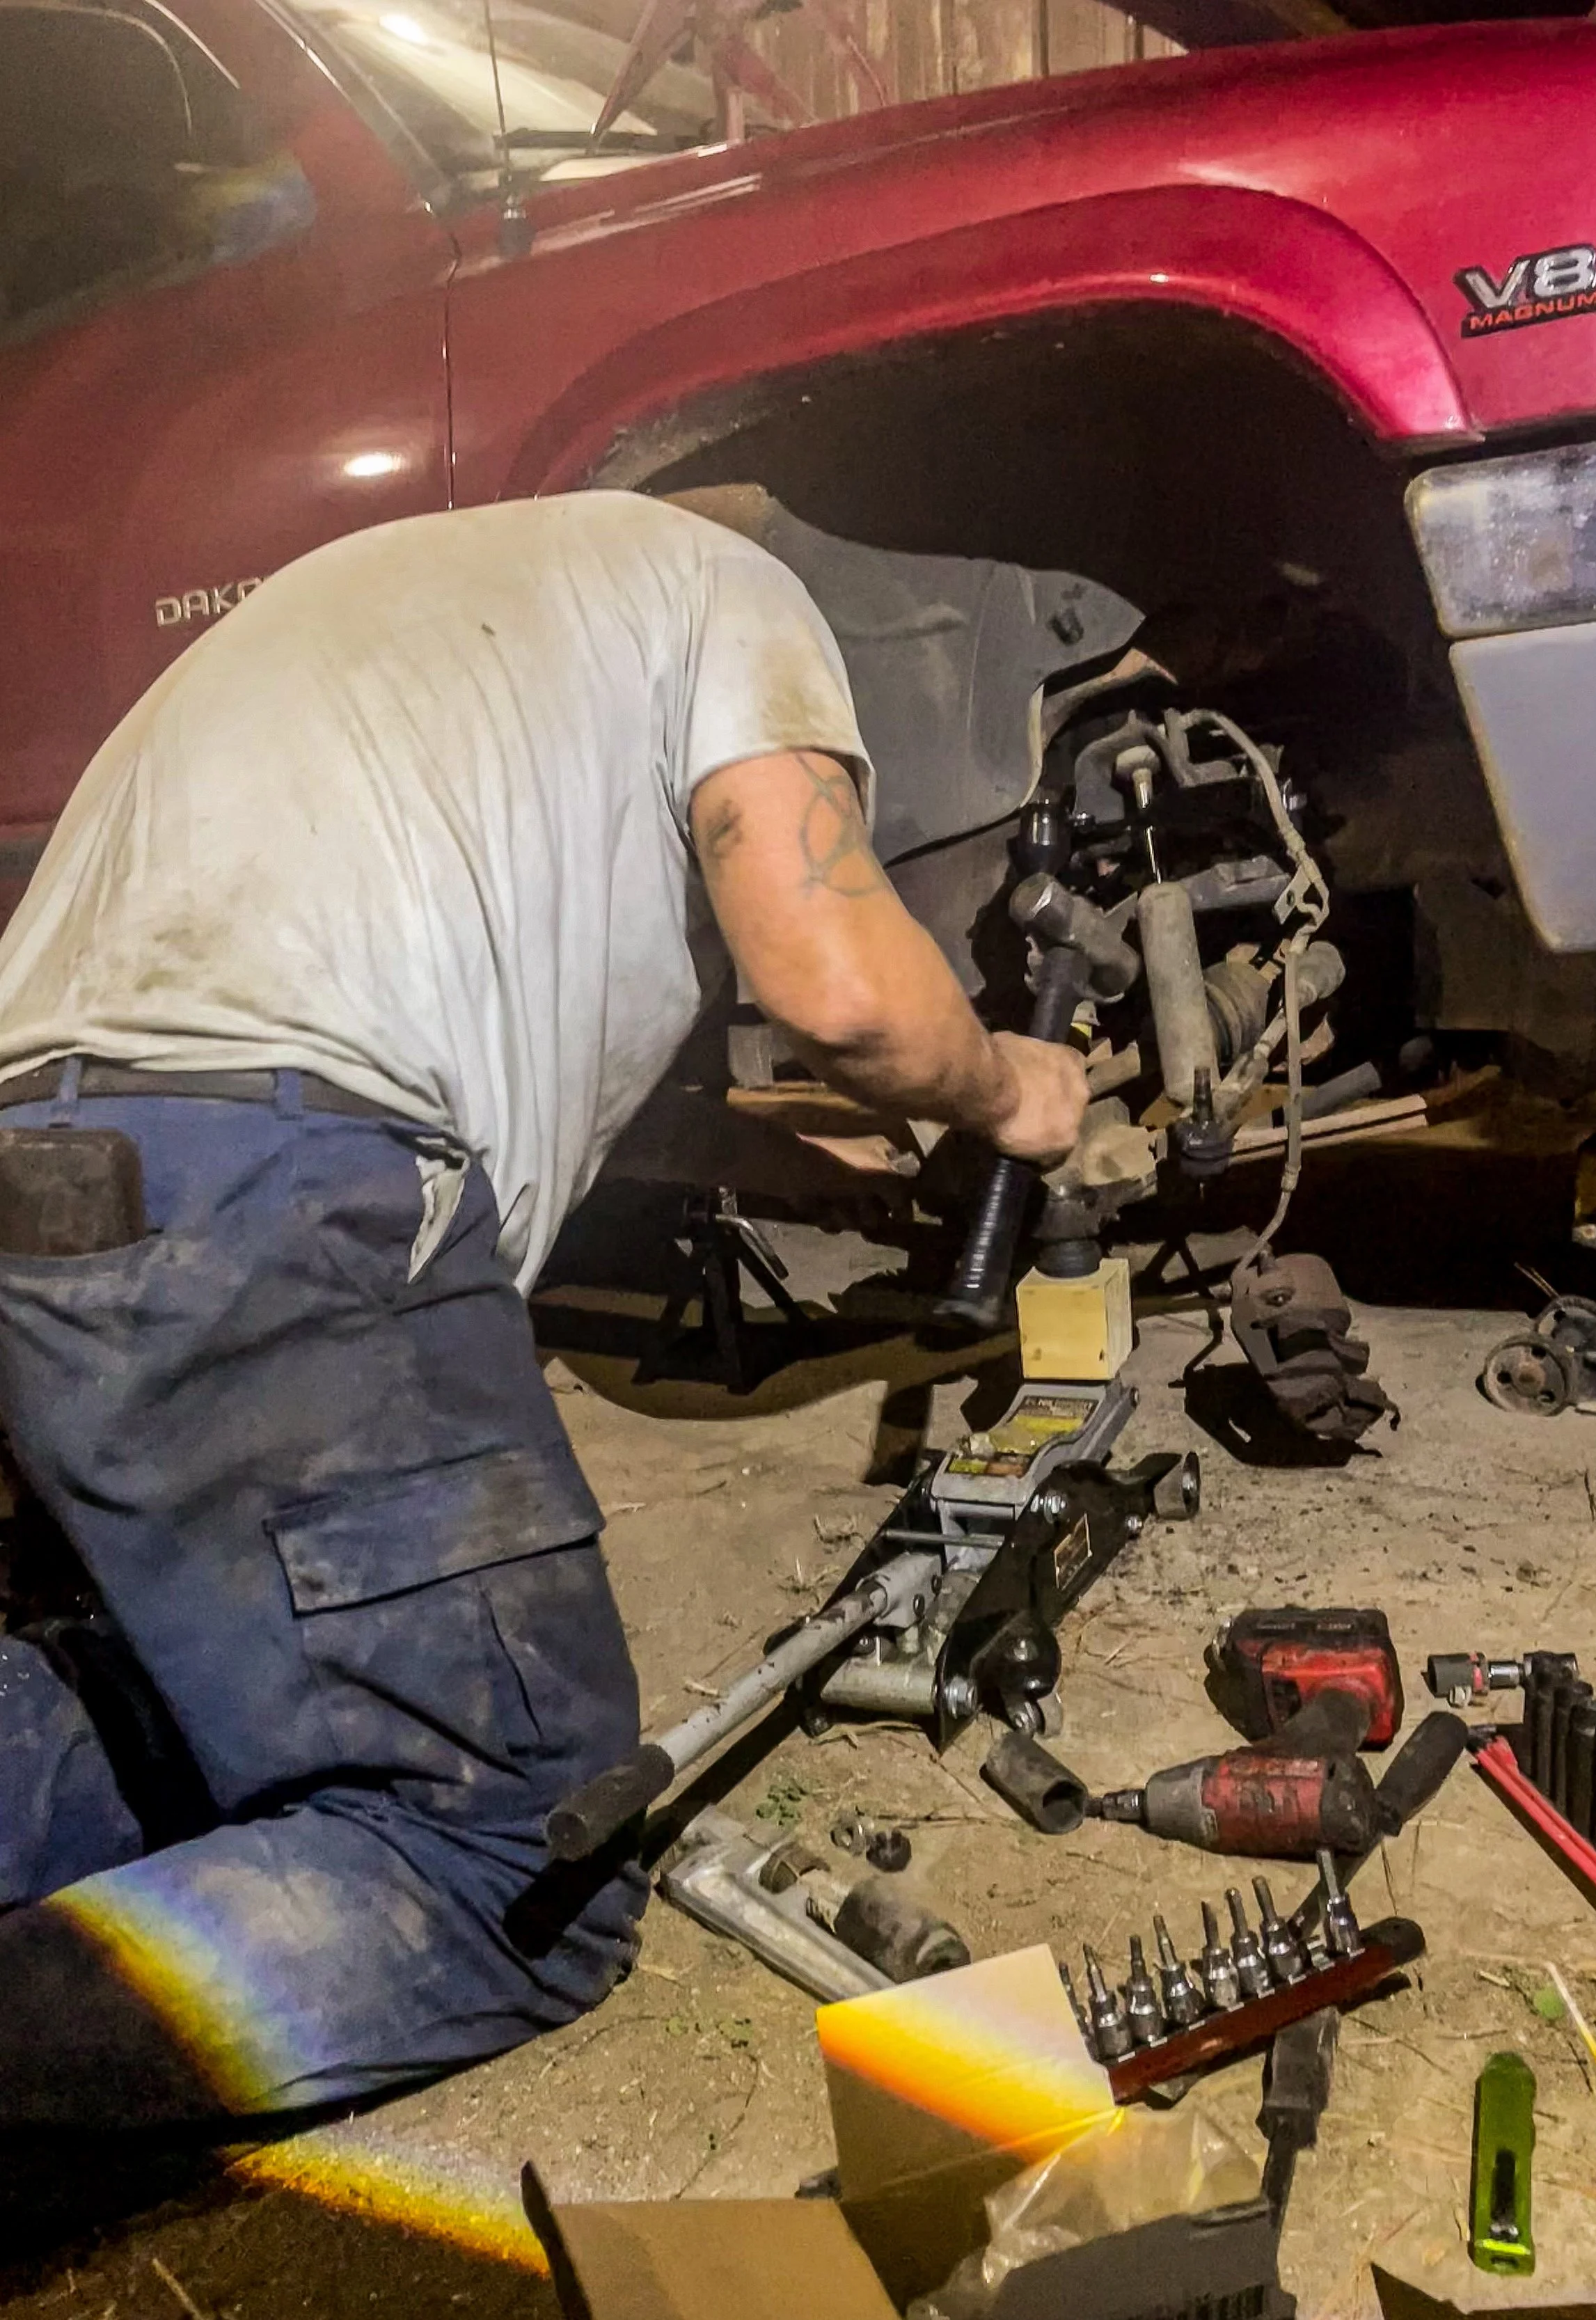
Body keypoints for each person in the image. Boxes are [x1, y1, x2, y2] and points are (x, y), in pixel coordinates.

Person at [0, 491, 1087, 2138]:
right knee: (508, 1860)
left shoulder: (413, 594)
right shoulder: (741, 590)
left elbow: (482, 1023)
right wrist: (1003, 1084)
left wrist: (798, 1161)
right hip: (280, 1190)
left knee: (171, 1686)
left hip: (54, 1167)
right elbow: (841, 985)